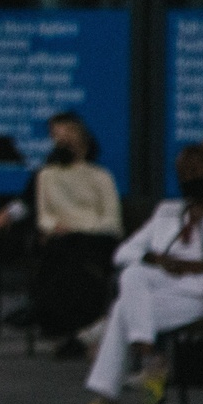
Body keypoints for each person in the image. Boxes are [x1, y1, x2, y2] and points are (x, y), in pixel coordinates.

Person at [69, 143, 203, 404]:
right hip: (166, 287)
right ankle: (151, 355)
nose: (190, 176)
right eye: (184, 172)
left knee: (122, 311)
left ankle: (107, 401)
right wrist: (159, 259)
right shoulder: (168, 210)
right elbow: (122, 253)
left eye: (197, 170)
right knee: (133, 275)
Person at [0, 110, 102, 339]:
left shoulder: (91, 166)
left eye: (63, 132)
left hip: (67, 232)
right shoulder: (52, 160)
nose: (58, 138)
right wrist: (8, 212)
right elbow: (30, 197)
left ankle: (42, 310)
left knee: (54, 253)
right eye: (54, 133)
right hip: (33, 229)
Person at [27, 116, 122, 348]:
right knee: (57, 250)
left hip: (96, 237)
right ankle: (55, 320)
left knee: (76, 252)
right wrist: (53, 228)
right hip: (62, 236)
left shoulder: (101, 176)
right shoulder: (46, 176)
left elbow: (112, 221)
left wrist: (78, 228)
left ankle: (80, 327)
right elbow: (44, 215)